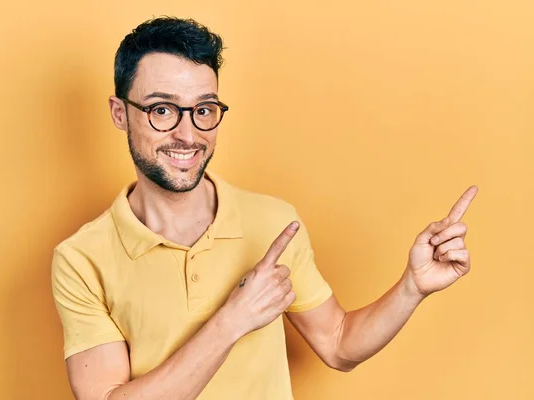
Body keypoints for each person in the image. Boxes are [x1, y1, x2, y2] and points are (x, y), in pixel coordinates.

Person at [51, 17, 478, 400]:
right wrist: (232, 320)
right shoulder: (81, 258)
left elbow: (338, 345)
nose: (188, 134)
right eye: (162, 110)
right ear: (120, 113)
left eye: (203, 110)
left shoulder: (272, 222)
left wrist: (412, 287)